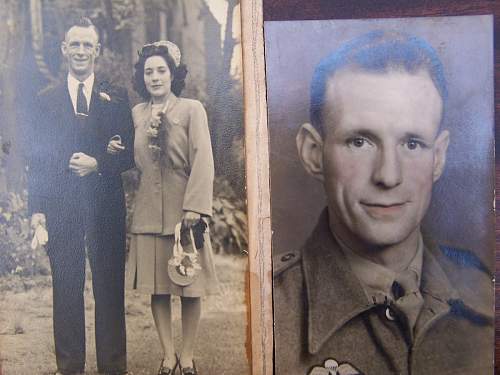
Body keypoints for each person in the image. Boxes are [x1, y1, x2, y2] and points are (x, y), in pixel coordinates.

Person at [273, 30, 494, 375]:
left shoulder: (485, 293)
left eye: (412, 144)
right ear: (313, 154)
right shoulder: (270, 310)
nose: (388, 176)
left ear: (438, 159)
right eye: (360, 142)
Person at [26, 17, 134, 375]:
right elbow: (36, 159)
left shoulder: (116, 97)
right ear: (64, 49)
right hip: (62, 209)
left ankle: (113, 367)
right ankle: (69, 367)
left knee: (109, 289)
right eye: (76, 45)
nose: (81, 52)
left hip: (105, 208)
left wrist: (98, 163)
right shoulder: (45, 100)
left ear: (98, 51)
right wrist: (36, 209)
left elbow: (130, 153)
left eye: (88, 45)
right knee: (67, 289)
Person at [126, 40, 218, 375]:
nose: (154, 77)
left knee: (189, 285)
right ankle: (168, 356)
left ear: (173, 74)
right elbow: (132, 159)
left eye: (161, 70)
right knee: (158, 287)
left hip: (184, 210)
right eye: (148, 71)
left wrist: (195, 207)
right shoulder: (136, 113)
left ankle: (188, 356)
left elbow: (203, 159)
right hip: (148, 210)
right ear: (142, 77)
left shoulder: (192, 109)